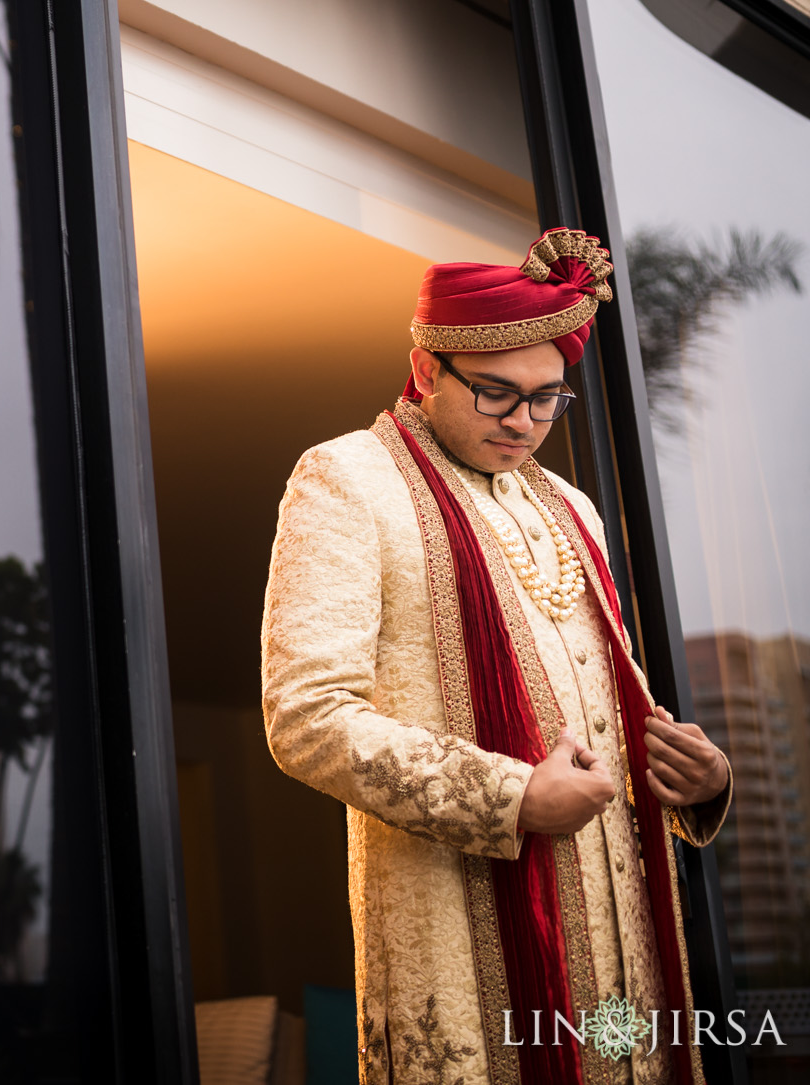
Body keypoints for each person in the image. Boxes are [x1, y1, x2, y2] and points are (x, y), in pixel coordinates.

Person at [261, 229, 731, 1085]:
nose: (524, 422)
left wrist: (693, 780)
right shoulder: (346, 479)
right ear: (426, 367)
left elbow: (600, 705)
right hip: (462, 939)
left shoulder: (572, 508)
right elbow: (307, 716)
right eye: (496, 394)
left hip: (624, 952)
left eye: (548, 399)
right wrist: (512, 795)